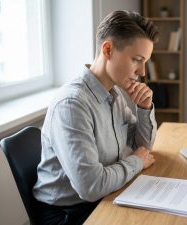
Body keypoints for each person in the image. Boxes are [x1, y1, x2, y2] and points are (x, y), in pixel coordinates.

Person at [32, 10, 159, 225]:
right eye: (137, 60)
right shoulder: (72, 105)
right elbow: (91, 187)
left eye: (145, 61)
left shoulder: (114, 93)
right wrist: (136, 161)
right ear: (108, 49)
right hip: (68, 214)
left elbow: (144, 148)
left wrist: (144, 109)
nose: (142, 72)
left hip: (103, 197)